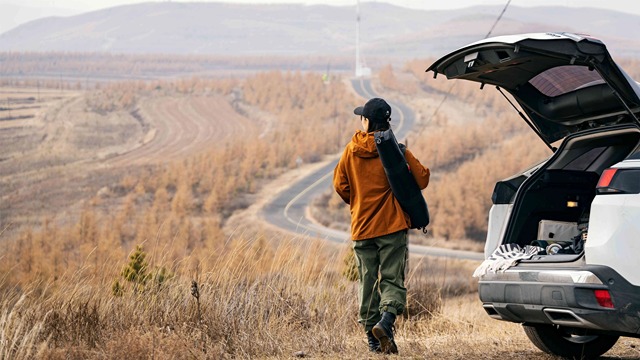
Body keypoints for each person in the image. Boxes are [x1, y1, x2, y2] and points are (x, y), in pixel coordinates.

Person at [333, 97, 430, 354]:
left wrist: (358, 201)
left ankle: (373, 340)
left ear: (366, 121)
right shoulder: (393, 150)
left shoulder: (350, 150)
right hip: (391, 226)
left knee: (367, 281)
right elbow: (422, 179)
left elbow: (341, 187)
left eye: (361, 117)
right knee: (392, 279)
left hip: (362, 228)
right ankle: (386, 322)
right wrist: (404, 151)